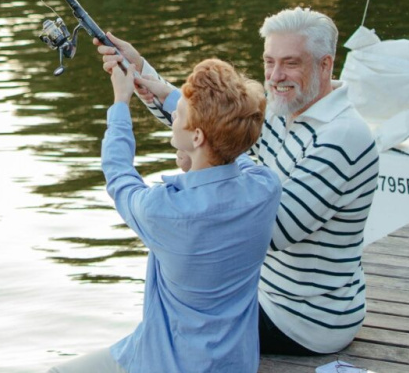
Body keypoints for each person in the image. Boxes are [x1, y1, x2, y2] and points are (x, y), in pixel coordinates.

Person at [96, 7, 379, 356]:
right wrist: (140, 72)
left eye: (291, 63)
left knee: (179, 310)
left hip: (304, 318)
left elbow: (261, 228)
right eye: (269, 61)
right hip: (260, 292)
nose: (276, 76)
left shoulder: (343, 136)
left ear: (325, 64)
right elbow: (219, 138)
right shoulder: (281, 108)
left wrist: (194, 185)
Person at [49, 59, 281, 373]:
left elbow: (119, 178)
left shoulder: (166, 210)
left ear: (197, 138)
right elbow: (233, 152)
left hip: (166, 363)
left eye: (179, 113)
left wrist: (120, 101)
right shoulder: (265, 189)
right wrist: (166, 93)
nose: (173, 115)